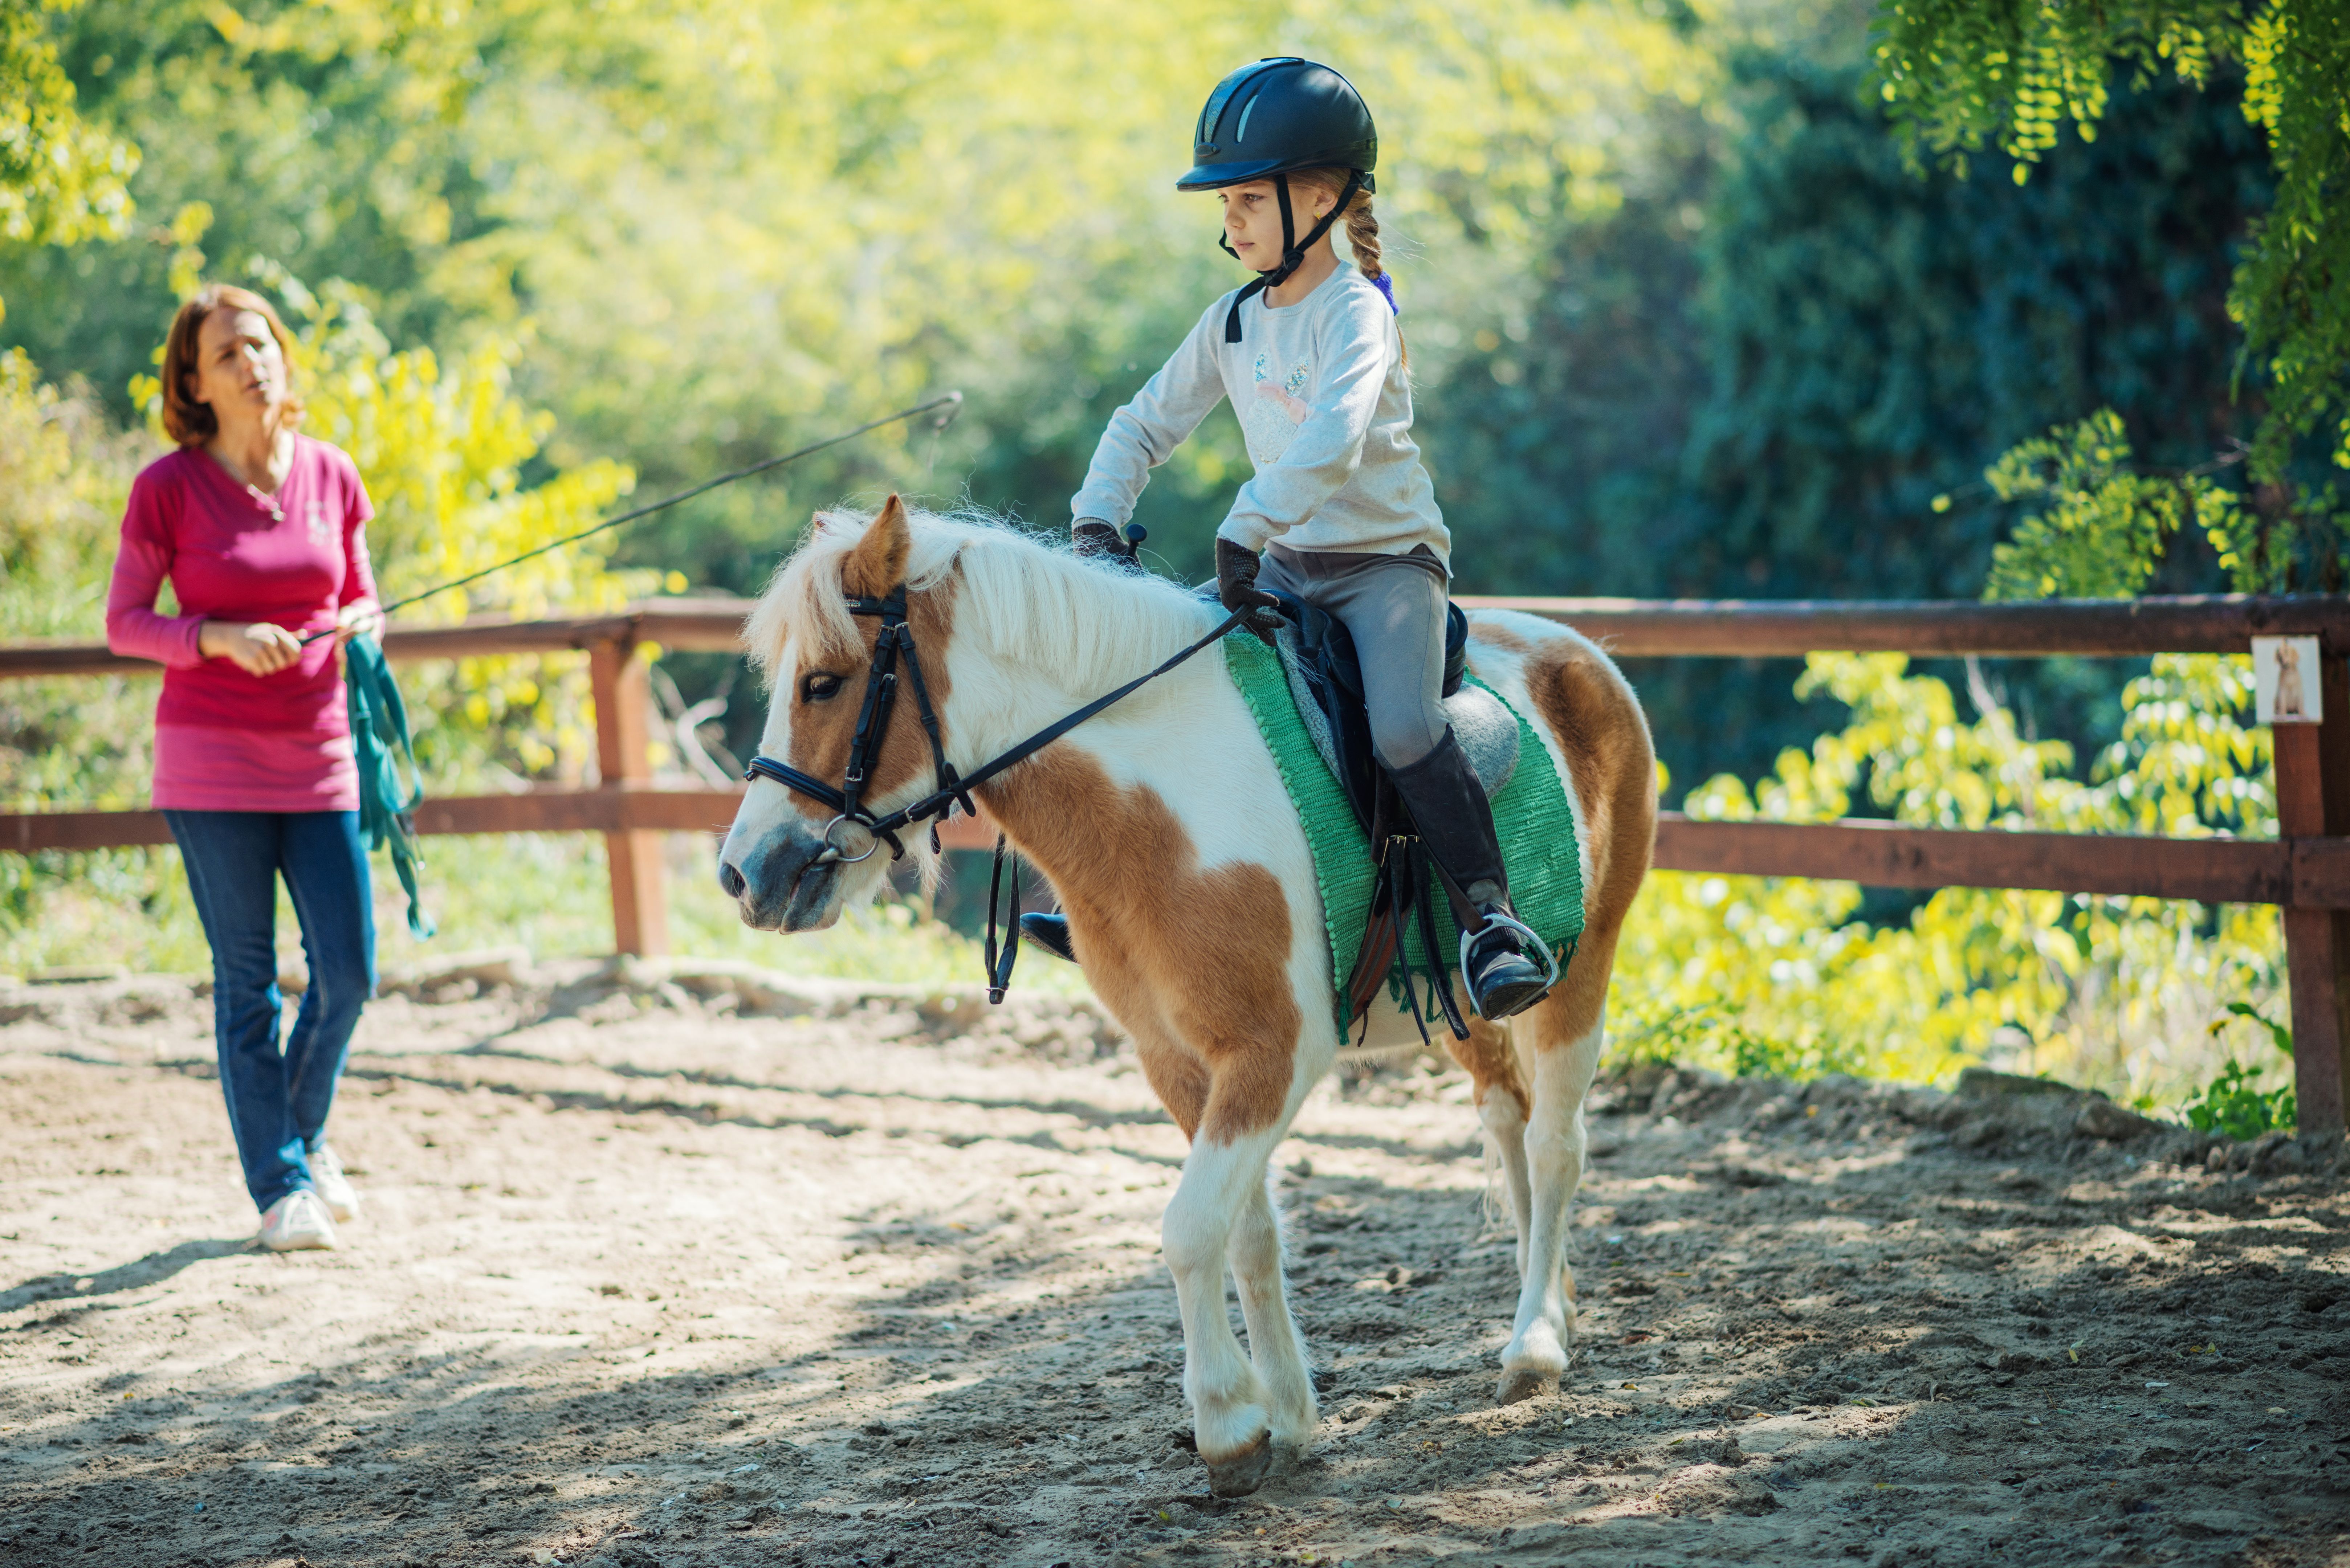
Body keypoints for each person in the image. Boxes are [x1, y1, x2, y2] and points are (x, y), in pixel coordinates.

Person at [1057, 56, 1552, 1021]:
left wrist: (1242, 528)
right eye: (1226, 202)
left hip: (1382, 570)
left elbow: (1331, 440)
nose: (1228, 222)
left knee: (1404, 728)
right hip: (1281, 564)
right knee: (1159, 678)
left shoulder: (1356, 312)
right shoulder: (1233, 320)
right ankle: (1098, 892)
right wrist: (1096, 515)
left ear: (1318, 199)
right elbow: (1142, 422)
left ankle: (1492, 920)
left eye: (1247, 199)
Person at [106, 283, 383, 1251]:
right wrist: (217, 636)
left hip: (322, 757)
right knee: (249, 985)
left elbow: (364, 595)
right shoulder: (167, 488)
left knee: (349, 974)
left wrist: (360, 622)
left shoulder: (332, 473)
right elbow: (125, 623)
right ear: (195, 380)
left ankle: (300, 1141)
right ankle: (279, 1190)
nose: (252, 362)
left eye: (261, 344)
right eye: (228, 353)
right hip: (211, 766)